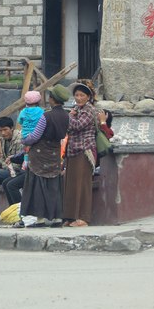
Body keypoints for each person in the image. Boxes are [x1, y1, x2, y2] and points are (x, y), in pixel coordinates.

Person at [18, 84, 70, 228]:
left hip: (40, 154)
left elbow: (35, 136)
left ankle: (40, 219)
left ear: (52, 99)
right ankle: (57, 218)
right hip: (54, 153)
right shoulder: (66, 116)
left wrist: (24, 141)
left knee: (38, 186)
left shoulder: (46, 116)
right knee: (54, 186)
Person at [63, 81, 98, 227]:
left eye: (82, 95)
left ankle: (83, 217)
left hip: (84, 151)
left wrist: (69, 117)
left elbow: (77, 126)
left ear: (88, 97)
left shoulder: (89, 110)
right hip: (72, 150)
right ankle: (71, 216)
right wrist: (71, 116)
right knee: (71, 185)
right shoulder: (76, 109)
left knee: (83, 185)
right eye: (76, 95)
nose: (78, 98)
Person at [18, 90, 44, 171]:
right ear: (38, 101)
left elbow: (20, 121)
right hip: (35, 136)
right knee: (33, 149)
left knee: (26, 150)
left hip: (25, 136)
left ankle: (25, 162)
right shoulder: (40, 111)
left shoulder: (23, 111)